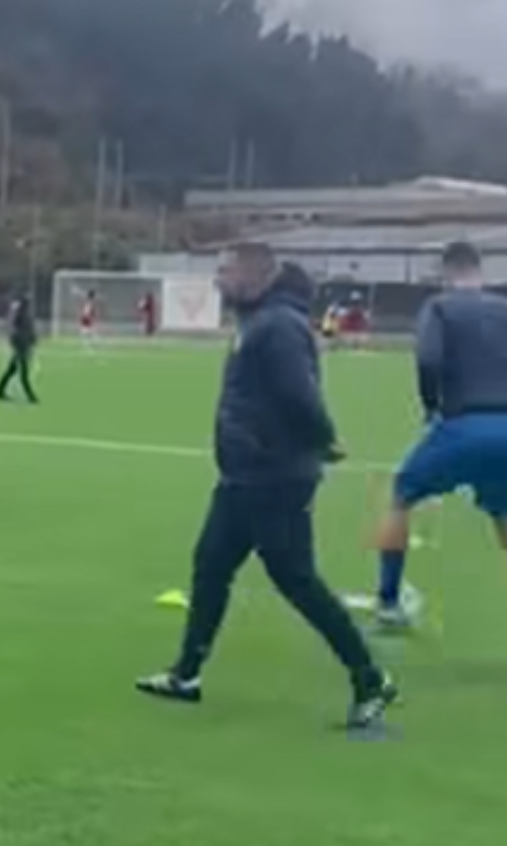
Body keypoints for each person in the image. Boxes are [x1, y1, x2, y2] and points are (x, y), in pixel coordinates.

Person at [136, 244, 396, 731]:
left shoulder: (277, 326)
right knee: (211, 566)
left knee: (297, 580)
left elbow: (300, 393)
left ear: (255, 276)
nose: (218, 280)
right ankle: (186, 674)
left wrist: (322, 439)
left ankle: (370, 677)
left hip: (273, 476)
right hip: (245, 474)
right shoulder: (260, 322)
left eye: (225, 271)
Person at [374, 241, 507, 627]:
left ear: (446, 271)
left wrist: (431, 405)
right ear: (480, 270)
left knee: (401, 496)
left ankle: (388, 602)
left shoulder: (439, 307)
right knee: (502, 512)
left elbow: (429, 359)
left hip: (462, 423)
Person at [0, 291, 39, 403]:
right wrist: (29, 342)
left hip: (22, 346)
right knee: (23, 372)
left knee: (12, 369)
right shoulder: (22, 315)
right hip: (21, 347)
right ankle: (31, 396)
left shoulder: (22, 315)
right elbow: (22, 331)